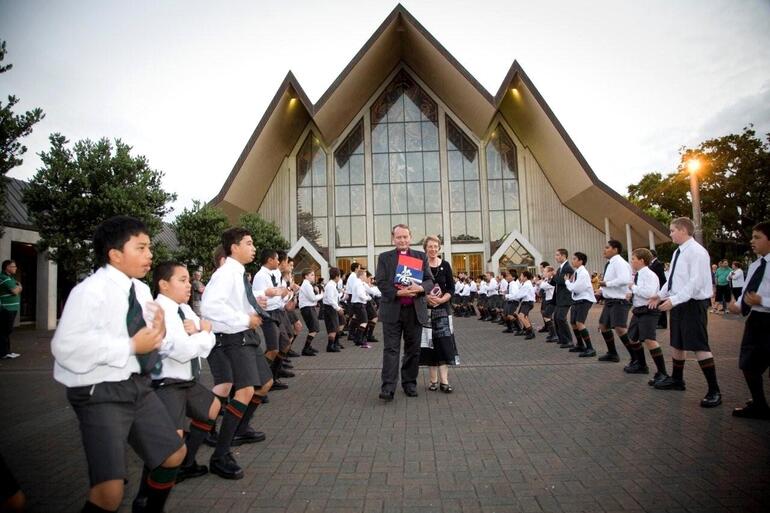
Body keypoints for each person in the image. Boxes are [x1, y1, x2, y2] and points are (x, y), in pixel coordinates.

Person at [51, 216, 186, 513]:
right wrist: (129, 347)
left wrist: (160, 331)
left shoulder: (138, 290)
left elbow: (149, 340)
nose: (150, 254)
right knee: (109, 492)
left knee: (174, 454)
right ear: (114, 254)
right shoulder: (89, 292)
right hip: (99, 391)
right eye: (140, 248)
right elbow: (65, 348)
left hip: (137, 386)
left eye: (149, 247)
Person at [201, 227, 272, 479]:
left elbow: (235, 301)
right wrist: (244, 317)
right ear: (234, 247)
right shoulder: (226, 273)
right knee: (244, 391)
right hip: (234, 337)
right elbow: (210, 307)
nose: (253, 248)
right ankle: (220, 454)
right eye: (249, 243)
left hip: (245, 335)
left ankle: (237, 429)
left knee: (264, 385)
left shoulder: (238, 273)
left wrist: (254, 305)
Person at [148, 262, 218, 485]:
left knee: (212, 408)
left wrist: (200, 333)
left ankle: (187, 463)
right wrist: (202, 334)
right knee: (171, 446)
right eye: (183, 280)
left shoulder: (185, 309)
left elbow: (210, 334)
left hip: (187, 381)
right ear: (164, 284)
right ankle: (148, 496)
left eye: (189, 280)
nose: (190, 285)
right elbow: (182, 350)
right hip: (167, 383)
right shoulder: (157, 311)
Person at [649, 217, 722, 408]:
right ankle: (677, 380)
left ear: (683, 230)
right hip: (679, 303)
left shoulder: (698, 252)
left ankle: (714, 390)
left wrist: (673, 300)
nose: (670, 233)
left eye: (672, 230)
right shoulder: (677, 252)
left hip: (692, 304)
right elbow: (673, 280)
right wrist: (659, 295)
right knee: (677, 343)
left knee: (699, 346)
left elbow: (695, 282)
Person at [375, 224, 434, 401]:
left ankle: (409, 383)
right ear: (393, 238)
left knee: (413, 349)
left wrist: (420, 287)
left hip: (414, 311)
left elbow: (430, 280)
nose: (402, 240)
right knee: (391, 349)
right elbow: (381, 281)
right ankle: (388, 387)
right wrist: (397, 292)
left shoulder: (420, 256)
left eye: (405, 237)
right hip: (393, 309)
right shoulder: (385, 258)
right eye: (399, 237)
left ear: (410, 237)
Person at [727, 221, 770, 419]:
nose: (752, 241)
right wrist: (737, 307)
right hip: (756, 320)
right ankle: (759, 404)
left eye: (757, 237)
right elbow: (746, 292)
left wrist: (764, 300)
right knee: (748, 364)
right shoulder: (754, 265)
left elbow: (759, 296)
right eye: (752, 237)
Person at [418, 235, 457, 393]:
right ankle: (433, 381)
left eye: (435, 246)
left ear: (439, 248)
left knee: (444, 344)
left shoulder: (446, 265)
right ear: (425, 248)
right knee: (429, 344)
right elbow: (415, 286)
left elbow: (451, 289)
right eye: (430, 246)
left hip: (442, 310)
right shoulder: (420, 265)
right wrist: (426, 298)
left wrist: (442, 300)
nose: (433, 249)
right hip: (425, 311)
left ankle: (445, 382)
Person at [626, 249, 668, 382]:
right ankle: (641, 365)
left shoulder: (649, 275)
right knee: (632, 338)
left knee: (649, 340)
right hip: (638, 310)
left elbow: (649, 293)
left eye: (633, 259)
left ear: (642, 260)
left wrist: (633, 288)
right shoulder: (638, 274)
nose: (631, 261)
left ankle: (662, 372)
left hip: (648, 310)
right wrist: (631, 294)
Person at [597, 240, 633, 364]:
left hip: (619, 300)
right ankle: (612, 353)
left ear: (616, 249)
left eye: (607, 247)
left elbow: (624, 279)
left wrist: (607, 284)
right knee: (603, 326)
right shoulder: (610, 263)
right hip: (610, 300)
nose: (604, 250)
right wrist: (601, 290)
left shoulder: (619, 263)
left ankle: (636, 357)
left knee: (620, 328)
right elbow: (608, 279)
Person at [564, 252, 597, 356]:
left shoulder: (583, 273)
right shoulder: (577, 272)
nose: (572, 261)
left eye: (574, 259)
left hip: (584, 300)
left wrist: (567, 282)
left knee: (579, 323)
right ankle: (580, 344)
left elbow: (576, 288)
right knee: (573, 323)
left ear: (580, 261)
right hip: (577, 300)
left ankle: (590, 348)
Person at [552, 249, 574, 349]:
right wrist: (552, 277)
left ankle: (569, 340)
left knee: (561, 318)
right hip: (559, 298)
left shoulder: (567, 268)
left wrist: (553, 275)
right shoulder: (560, 268)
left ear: (563, 256)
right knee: (556, 317)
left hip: (565, 298)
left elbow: (561, 281)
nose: (556, 257)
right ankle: (562, 338)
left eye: (557, 255)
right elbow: (555, 281)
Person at [298, 269, 324, 355]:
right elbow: (312, 298)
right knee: (314, 329)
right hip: (307, 308)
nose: (314, 276)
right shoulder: (306, 285)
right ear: (306, 276)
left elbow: (312, 298)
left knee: (313, 328)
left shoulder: (307, 285)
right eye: (312, 275)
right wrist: (322, 295)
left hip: (308, 307)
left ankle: (308, 347)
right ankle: (306, 348)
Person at [0, 260, 22, 359]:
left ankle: (7, 351)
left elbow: (17, 288)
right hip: (6, 308)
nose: (15, 268)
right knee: (5, 331)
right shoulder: (4, 278)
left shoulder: (10, 278)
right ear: (7, 267)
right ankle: (3, 353)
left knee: (7, 331)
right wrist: (19, 287)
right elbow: (15, 291)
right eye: (13, 266)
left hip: (12, 308)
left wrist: (18, 287)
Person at [322, 267, 345, 352]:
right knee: (333, 327)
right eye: (339, 276)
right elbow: (331, 299)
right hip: (330, 308)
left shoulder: (332, 285)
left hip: (332, 307)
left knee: (338, 324)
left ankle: (335, 343)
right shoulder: (331, 285)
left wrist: (341, 295)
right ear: (337, 276)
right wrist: (338, 308)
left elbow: (334, 297)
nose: (339, 278)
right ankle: (330, 346)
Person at [648, 249, 668, 329]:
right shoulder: (652, 264)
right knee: (657, 306)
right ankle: (659, 322)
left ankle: (663, 323)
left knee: (661, 306)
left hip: (660, 287)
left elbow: (661, 278)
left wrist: (661, 289)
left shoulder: (658, 264)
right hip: (657, 288)